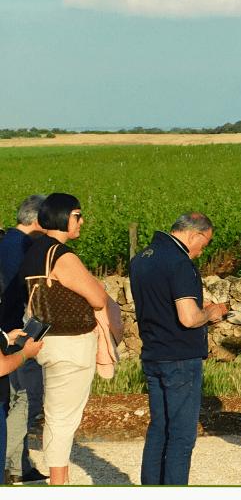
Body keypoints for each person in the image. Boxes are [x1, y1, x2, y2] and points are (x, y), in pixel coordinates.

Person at [13, 193, 109, 485]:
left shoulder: (34, 250)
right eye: (78, 215)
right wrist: (99, 285)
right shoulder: (61, 255)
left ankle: (60, 480)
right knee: (63, 418)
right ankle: (58, 483)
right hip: (71, 344)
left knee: (57, 414)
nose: (81, 221)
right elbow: (97, 297)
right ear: (64, 216)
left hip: (46, 339)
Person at [130, 212, 228, 485]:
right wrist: (212, 313)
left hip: (153, 354)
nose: (200, 252)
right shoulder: (179, 262)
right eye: (204, 244)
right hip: (181, 358)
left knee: (159, 430)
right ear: (195, 235)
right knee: (182, 436)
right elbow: (188, 317)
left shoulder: (141, 259)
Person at [0, 195, 48, 484]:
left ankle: (19, 462)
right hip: (14, 333)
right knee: (27, 397)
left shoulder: (7, 243)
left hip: (6, 332)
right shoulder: (24, 247)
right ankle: (13, 464)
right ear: (38, 221)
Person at [1, 328, 45, 485]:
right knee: (27, 399)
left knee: (19, 400)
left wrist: (4, 337)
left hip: (14, 340)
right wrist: (25, 353)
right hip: (24, 343)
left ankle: (19, 468)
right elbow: (1, 367)